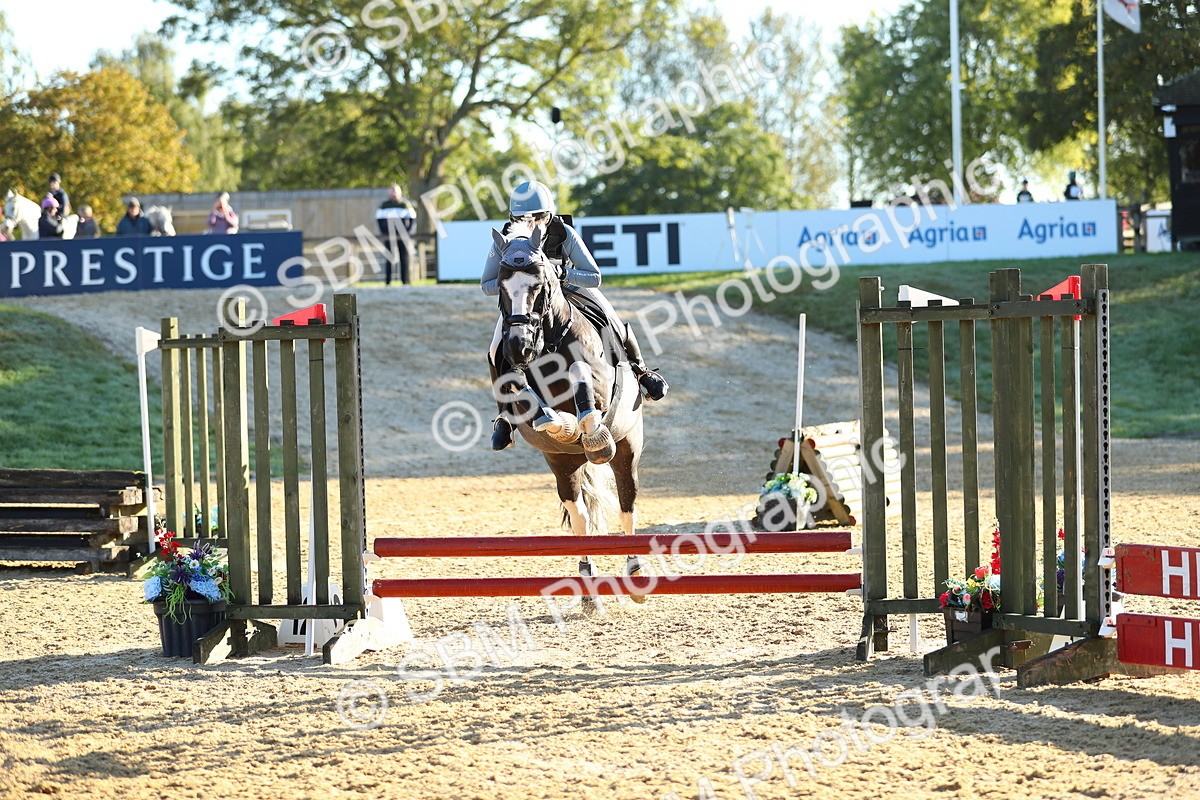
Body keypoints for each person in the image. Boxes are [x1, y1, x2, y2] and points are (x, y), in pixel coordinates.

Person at [481, 180, 669, 450]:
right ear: (513, 218)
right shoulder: (506, 241)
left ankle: (640, 370)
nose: (532, 223)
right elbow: (486, 284)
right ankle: (505, 416)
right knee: (495, 346)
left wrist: (560, 274)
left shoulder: (564, 232)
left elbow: (594, 276)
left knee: (608, 315)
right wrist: (508, 282)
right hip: (528, 303)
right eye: (523, 218)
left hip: (568, 291)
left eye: (538, 217)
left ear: (550, 214)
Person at [376, 184, 416, 285]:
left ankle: (405, 281)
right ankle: (388, 282)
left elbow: (412, 218)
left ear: (400, 193)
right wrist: (384, 232)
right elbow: (379, 219)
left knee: (404, 258)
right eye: (392, 191)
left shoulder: (405, 204)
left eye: (396, 191)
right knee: (389, 258)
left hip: (402, 235)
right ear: (389, 193)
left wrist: (407, 231)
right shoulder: (384, 205)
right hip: (389, 235)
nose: (394, 193)